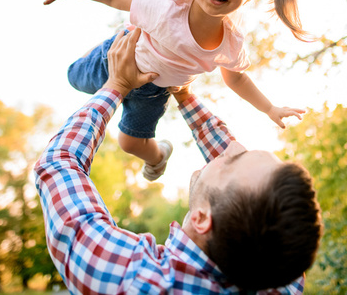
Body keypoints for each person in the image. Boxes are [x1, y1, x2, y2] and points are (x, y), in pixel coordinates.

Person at [34, 28, 323, 294]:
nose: (233, 146)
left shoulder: (138, 282)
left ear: (201, 219)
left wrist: (116, 86)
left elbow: (58, 164)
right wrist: (183, 93)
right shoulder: (279, 270)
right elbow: (244, 197)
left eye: (235, 160)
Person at [27, 0, 309, 181]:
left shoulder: (231, 43)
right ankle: (105, 43)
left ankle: (160, 156)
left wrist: (269, 108)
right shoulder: (165, 7)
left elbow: (236, 79)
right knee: (73, 77)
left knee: (130, 143)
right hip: (118, 58)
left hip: (153, 90)